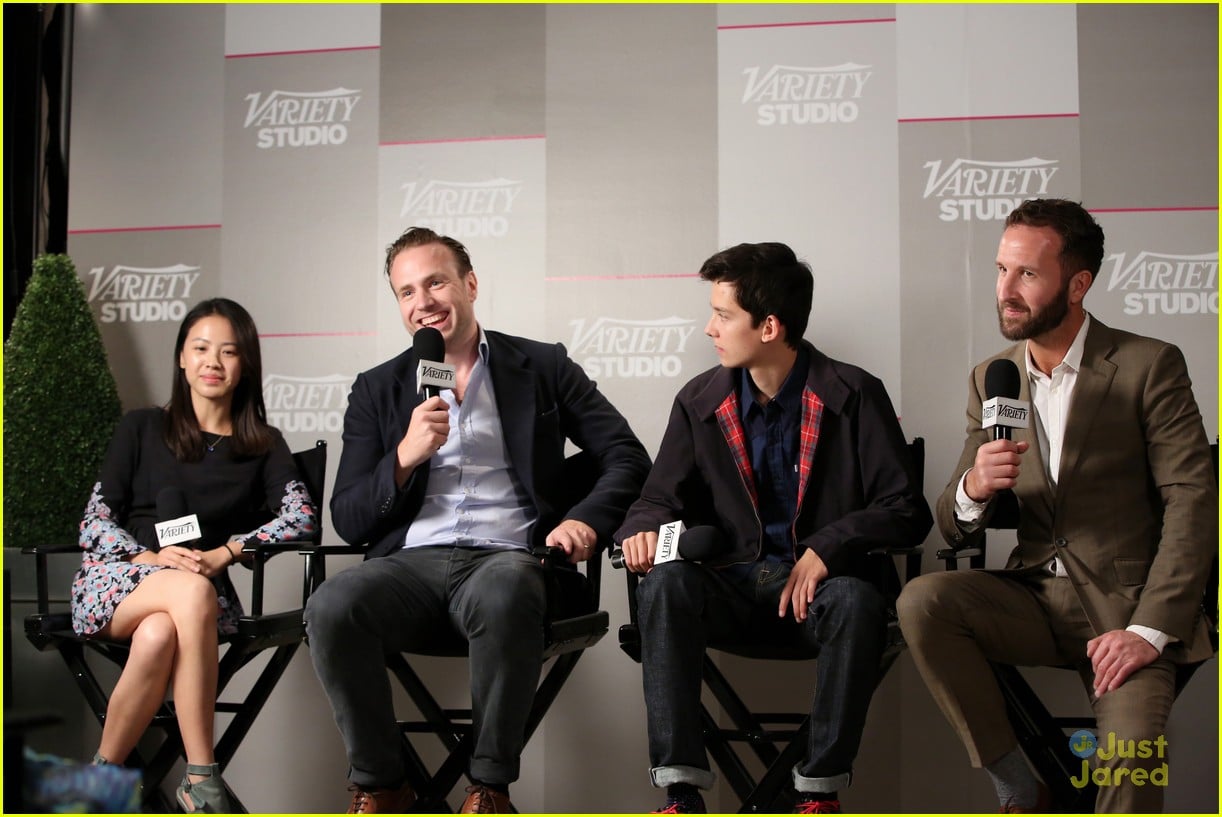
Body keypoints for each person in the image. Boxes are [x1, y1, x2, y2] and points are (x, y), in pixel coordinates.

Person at [305, 226, 651, 814]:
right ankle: (384, 785)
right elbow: (348, 517)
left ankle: (488, 788)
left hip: (511, 560)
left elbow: (626, 455)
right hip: (409, 567)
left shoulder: (541, 366)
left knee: (506, 586)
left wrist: (587, 522)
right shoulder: (378, 388)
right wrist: (404, 459)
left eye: (435, 282)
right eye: (406, 292)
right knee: (332, 605)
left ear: (469, 284)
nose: (423, 302)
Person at [897, 198, 1217, 813]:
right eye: (1000, 270)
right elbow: (951, 523)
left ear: (1078, 284)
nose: (1005, 291)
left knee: (1132, 760)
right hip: (1035, 598)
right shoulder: (992, 376)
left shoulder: (1149, 365)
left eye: (1027, 274)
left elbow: (1193, 501)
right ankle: (1018, 779)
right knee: (923, 600)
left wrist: (1149, 630)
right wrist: (973, 489)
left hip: (1127, 613)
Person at [616, 242, 932, 814]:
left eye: (723, 315)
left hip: (824, 598)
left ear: (769, 326)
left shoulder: (855, 393)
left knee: (859, 602)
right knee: (663, 585)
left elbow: (907, 509)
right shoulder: (699, 401)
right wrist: (640, 529)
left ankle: (818, 794)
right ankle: (680, 792)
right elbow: (657, 498)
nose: (708, 327)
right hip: (732, 588)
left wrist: (826, 549)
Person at [71, 297, 319, 813]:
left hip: (200, 597)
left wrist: (228, 552)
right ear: (182, 358)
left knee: (161, 632)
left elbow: (301, 519)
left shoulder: (262, 444)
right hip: (118, 580)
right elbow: (95, 521)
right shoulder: (140, 427)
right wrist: (148, 559)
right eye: (201, 348)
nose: (213, 362)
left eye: (229, 352)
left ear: (245, 363)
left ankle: (101, 782)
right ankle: (202, 777)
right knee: (185, 592)